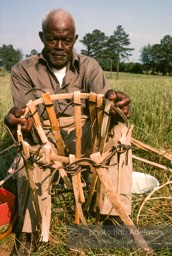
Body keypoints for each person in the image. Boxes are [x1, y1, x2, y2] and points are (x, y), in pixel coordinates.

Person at [4, 8, 131, 254]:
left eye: (66, 39)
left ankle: (112, 215)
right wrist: (18, 121)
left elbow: (106, 100)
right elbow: (23, 115)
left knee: (120, 132)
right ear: (42, 38)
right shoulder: (23, 70)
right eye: (52, 39)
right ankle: (30, 231)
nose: (60, 46)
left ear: (75, 38)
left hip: (84, 132)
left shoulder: (89, 66)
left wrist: (117, 106)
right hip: (45, 134)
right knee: (31, 152)